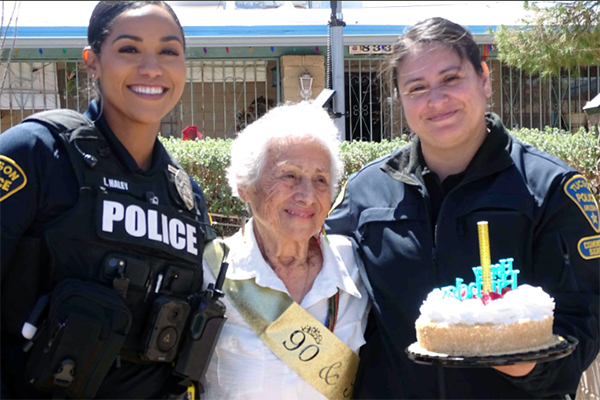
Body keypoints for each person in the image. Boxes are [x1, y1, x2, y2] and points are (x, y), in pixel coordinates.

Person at [326, 17, 599, 399]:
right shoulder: (364, 193)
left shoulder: (549, 188)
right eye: (416, 88)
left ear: (484, 79)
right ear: (400, 100)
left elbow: (585, 314)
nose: (436, 101)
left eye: (451, 79)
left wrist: (531, 367)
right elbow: (323, 293)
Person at [0, 2, 216, 398]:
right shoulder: (38, 152)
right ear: (92, 62)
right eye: (129, 49)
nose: (152, 68)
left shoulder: (187, 199)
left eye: (169, 51)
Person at [200, 102, 370, 400]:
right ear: (245, 185)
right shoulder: (211, 272)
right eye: (289, 175)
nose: (306, 195)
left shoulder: (357, 270)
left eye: (320, 180)